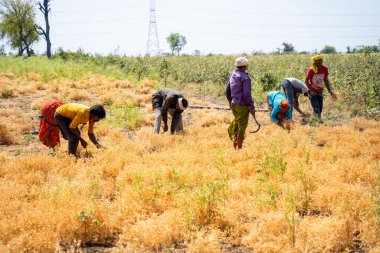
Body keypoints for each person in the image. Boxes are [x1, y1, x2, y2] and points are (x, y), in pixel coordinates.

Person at [226, 57, 255, 149]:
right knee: (241, 127)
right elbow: (247, 94)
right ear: (245, 66)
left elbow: (227, 91)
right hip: (242, 105)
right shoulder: (245, 77)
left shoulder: (233, 75)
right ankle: (239, 149)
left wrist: (231, 101)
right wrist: (251, 105)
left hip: (234, 104)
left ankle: (235, 145)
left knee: (238, 123)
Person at [305, 55, 337, 121]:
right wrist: (311, 91)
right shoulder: (312, 69)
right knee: (316, 107)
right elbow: (306, 81)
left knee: (320, 107)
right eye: (317, 61)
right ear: (315, 62)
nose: (319, 62)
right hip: (312, 91)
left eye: (320, 60)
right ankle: (317, 121)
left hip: (319, 90)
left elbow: (326, 80)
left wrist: (330, 91)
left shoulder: (325, 68)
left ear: (322, 61)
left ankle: (315, 120)